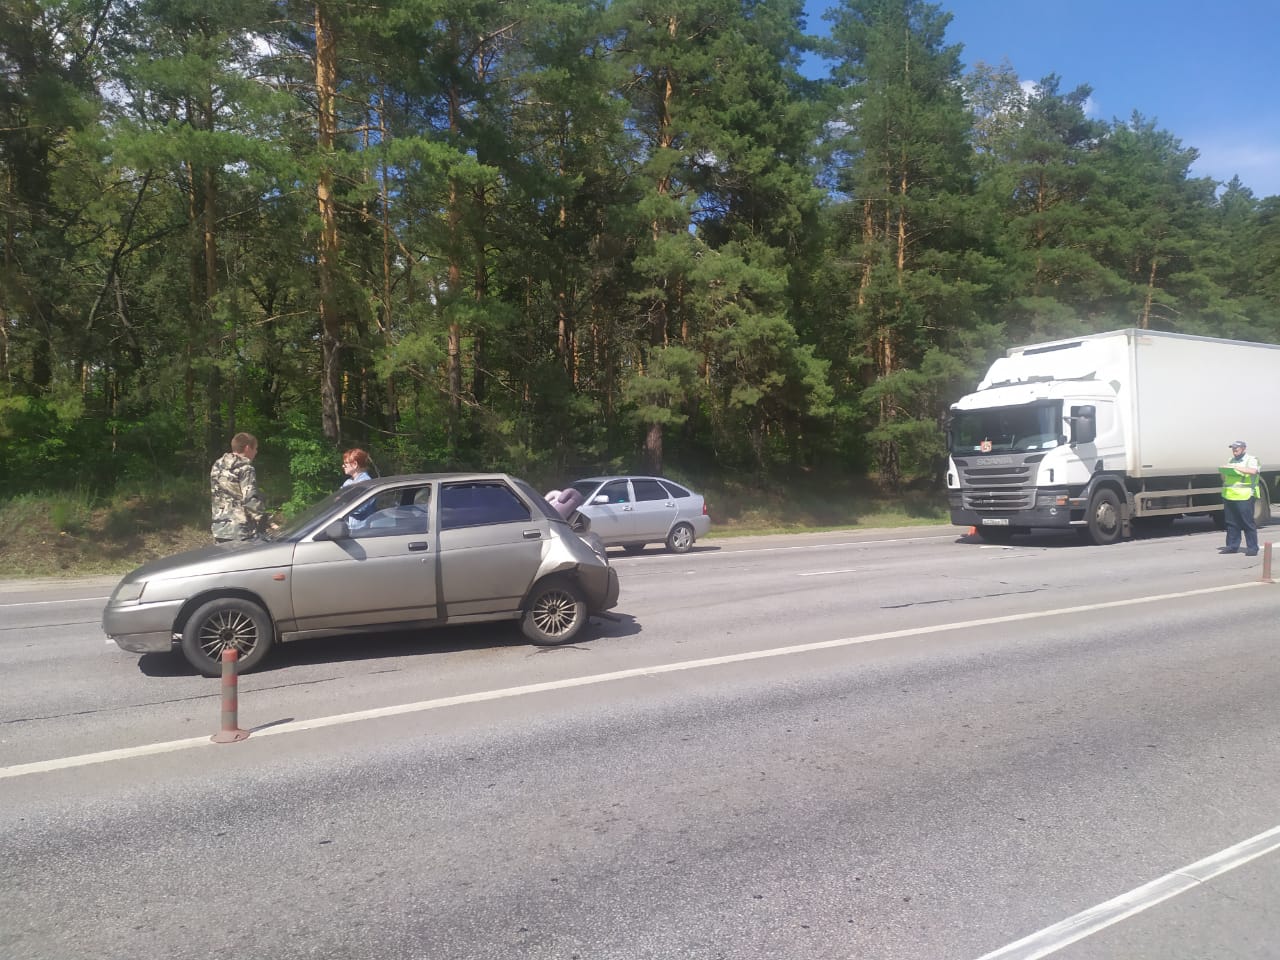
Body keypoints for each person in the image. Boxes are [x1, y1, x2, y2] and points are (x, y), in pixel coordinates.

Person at [210, 432, 269, 542]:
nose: (256, 452)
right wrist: (263, 519)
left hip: (219, 528)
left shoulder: (217, 465)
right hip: (240, 530)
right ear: (247, 448)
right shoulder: (246, 468)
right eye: (255, 448)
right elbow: (250, 499)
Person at [1219, 440, 1260, 556]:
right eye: (1233, 448)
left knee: (1247, 522)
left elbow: (1253, 471)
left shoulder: (1252, 459)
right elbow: (1225, 476)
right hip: (1229, 494)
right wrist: (1224, 470)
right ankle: (1232, 546)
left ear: (1244, 448)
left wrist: (1236, 468)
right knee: (1231, 522)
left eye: (1237, 448)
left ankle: (1252, 548)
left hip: (1245, 495)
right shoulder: (1230, 460)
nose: (1234, 450)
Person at [342, 448, 376, 523]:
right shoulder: (348, 482)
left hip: (361, 531)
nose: (343, 466)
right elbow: (336, 500)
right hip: (348, 529)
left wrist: (343, 502)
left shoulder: (366, 483)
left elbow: (360, 508)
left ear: (355, 464)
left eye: (345, 463)